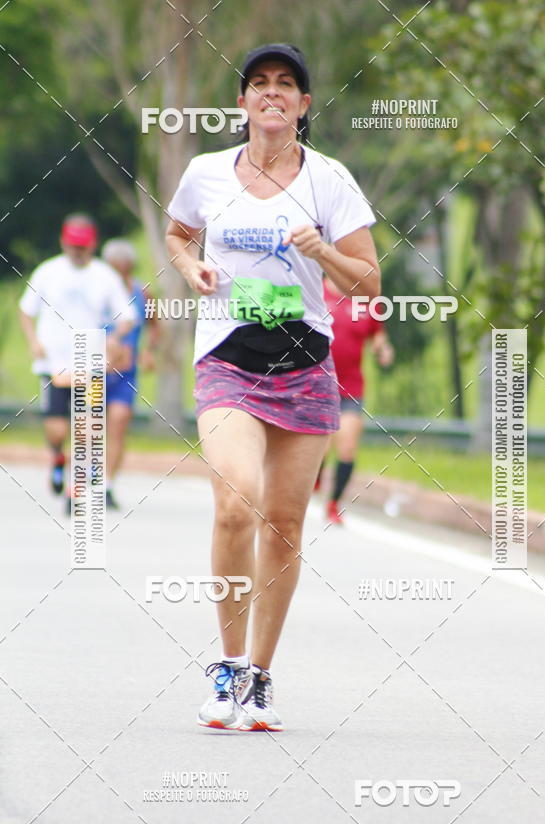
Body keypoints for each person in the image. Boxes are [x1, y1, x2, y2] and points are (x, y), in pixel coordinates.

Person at [166, 43, 380, 731]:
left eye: (286, 84)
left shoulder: (330, 180)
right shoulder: (205, 174)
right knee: (236, 504)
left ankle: (260, 677)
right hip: (227, 358)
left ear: (304, 105)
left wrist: (321, 251)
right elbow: (177, 234)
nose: (272, 93)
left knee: (285, 526)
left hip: (306, 364)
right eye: (259, 83)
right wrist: (190, 266)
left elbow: (369, 284)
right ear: (243, 102)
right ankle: (226, 668)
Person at [19, 214, 137, 514]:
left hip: (90, 363)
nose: (77, 252)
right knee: (58, 429)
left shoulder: (104, 276)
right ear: (63, 242)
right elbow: (26, 310)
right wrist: (33, 341)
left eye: (82, 247)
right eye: (72, 246)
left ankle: (75, 491)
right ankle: (58, 456)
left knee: (85, 430)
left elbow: (127, 317)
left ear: (92, 245)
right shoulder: (48, 271)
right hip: (53, 364)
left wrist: (114, 338)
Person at [318, 275, 394, 524]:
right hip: (315, 385)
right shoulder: (314, 291)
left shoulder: (368, 300)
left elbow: (378, 336)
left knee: (348, 445)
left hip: (350, 387)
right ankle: (313, 478)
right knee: (320, 447)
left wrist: (383, 350)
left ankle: (333, 503)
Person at [101, 239, 160, 509]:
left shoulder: (142, 292)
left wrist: (148, 351)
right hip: (96, 370)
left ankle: (108, 485)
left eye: (124, 269)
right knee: (89, 427)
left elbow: (154, 326)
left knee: (119, 422)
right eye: (114, 268)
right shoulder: (96, 290)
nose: (119, 274)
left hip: (126, 373)